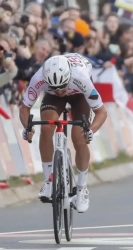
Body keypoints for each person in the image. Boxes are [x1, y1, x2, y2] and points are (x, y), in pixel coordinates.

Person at [19, 53, 108, 213]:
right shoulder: (39, 77)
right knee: (46, 128)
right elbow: (24, 107)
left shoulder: (81, 77)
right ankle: (48, 181)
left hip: (79, 95)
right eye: (54, 87)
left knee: (79, 137)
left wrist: (91, 131)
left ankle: (82, 189)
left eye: (62, 86)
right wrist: (27, 127)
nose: (60, 91)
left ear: (68, 77)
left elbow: (102, 112)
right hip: (52, 100)